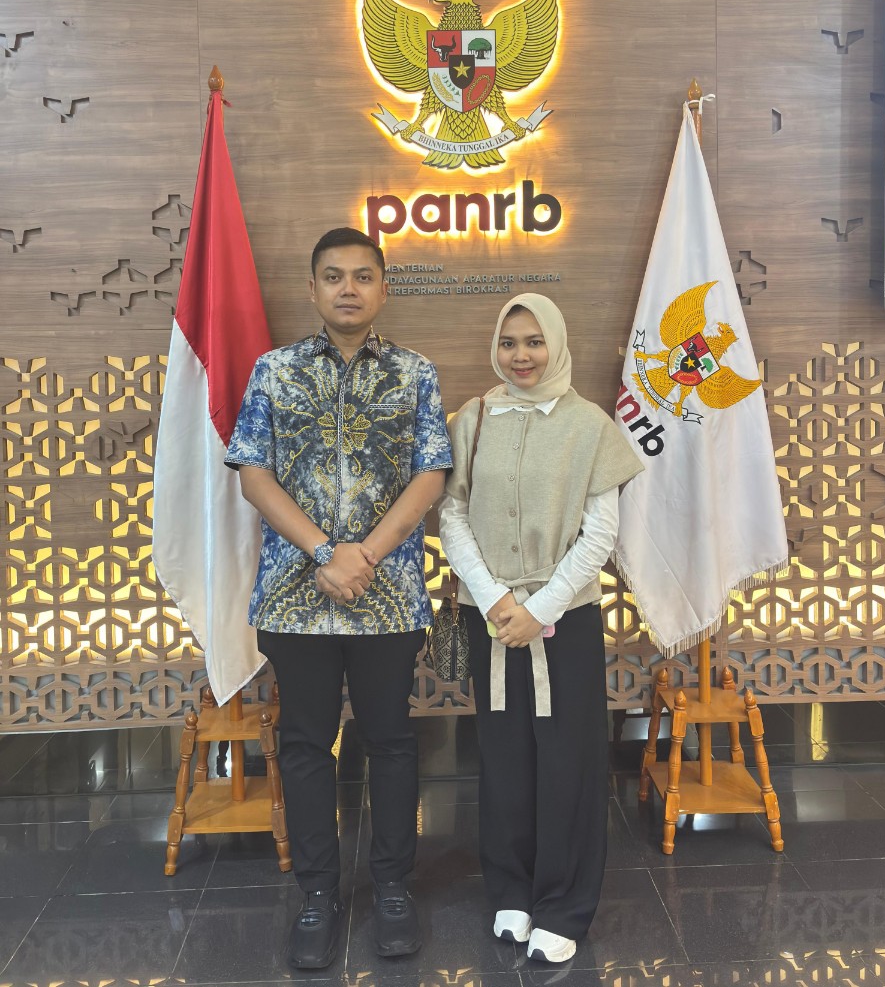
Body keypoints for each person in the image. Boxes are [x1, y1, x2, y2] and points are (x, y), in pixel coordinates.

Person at [225, 227, 452, 969]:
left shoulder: (415, 373)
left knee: (390, 740)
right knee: (304, 744)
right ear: (314, 288)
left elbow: (430, 475)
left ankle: (392, 887)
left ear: (383, 287)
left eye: (362, 275)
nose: (348, 288)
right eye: (333, 276)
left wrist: (366, 556)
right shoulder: (274, 371)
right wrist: (326, 552)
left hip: (387, 596)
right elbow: (253, 472)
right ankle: (318, 893)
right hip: (296, 597)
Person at [438, 293, 643, 964]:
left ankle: (563, 902)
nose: (520, 355)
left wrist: (540, 609)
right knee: (503, 754)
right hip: (492, 617)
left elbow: (599, 534)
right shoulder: (471, 419)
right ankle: (512, 889)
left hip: (564, 619)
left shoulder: (590, 425)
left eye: (533, 341)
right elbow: (452, 515)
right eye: (509, 342)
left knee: (567, 759)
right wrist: (496, 599)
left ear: (555, 343)